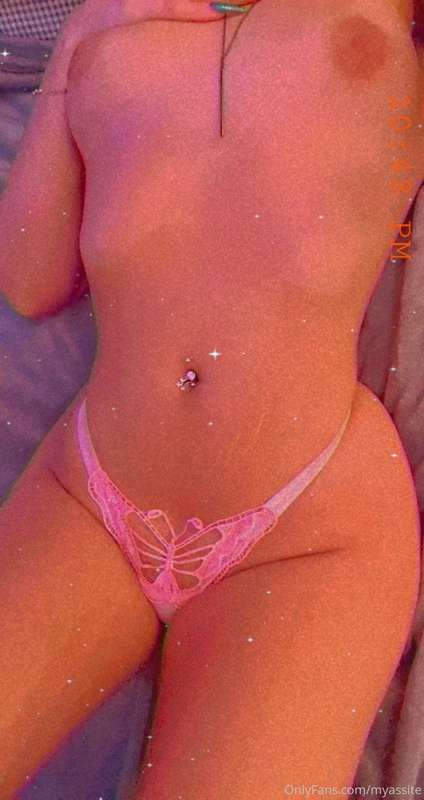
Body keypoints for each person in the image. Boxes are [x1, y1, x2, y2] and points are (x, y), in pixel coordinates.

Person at [0, 0, 422, 796]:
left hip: (307, 525)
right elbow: (29, 280)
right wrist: (78, 43)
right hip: (93, 494)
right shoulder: (109, 25)